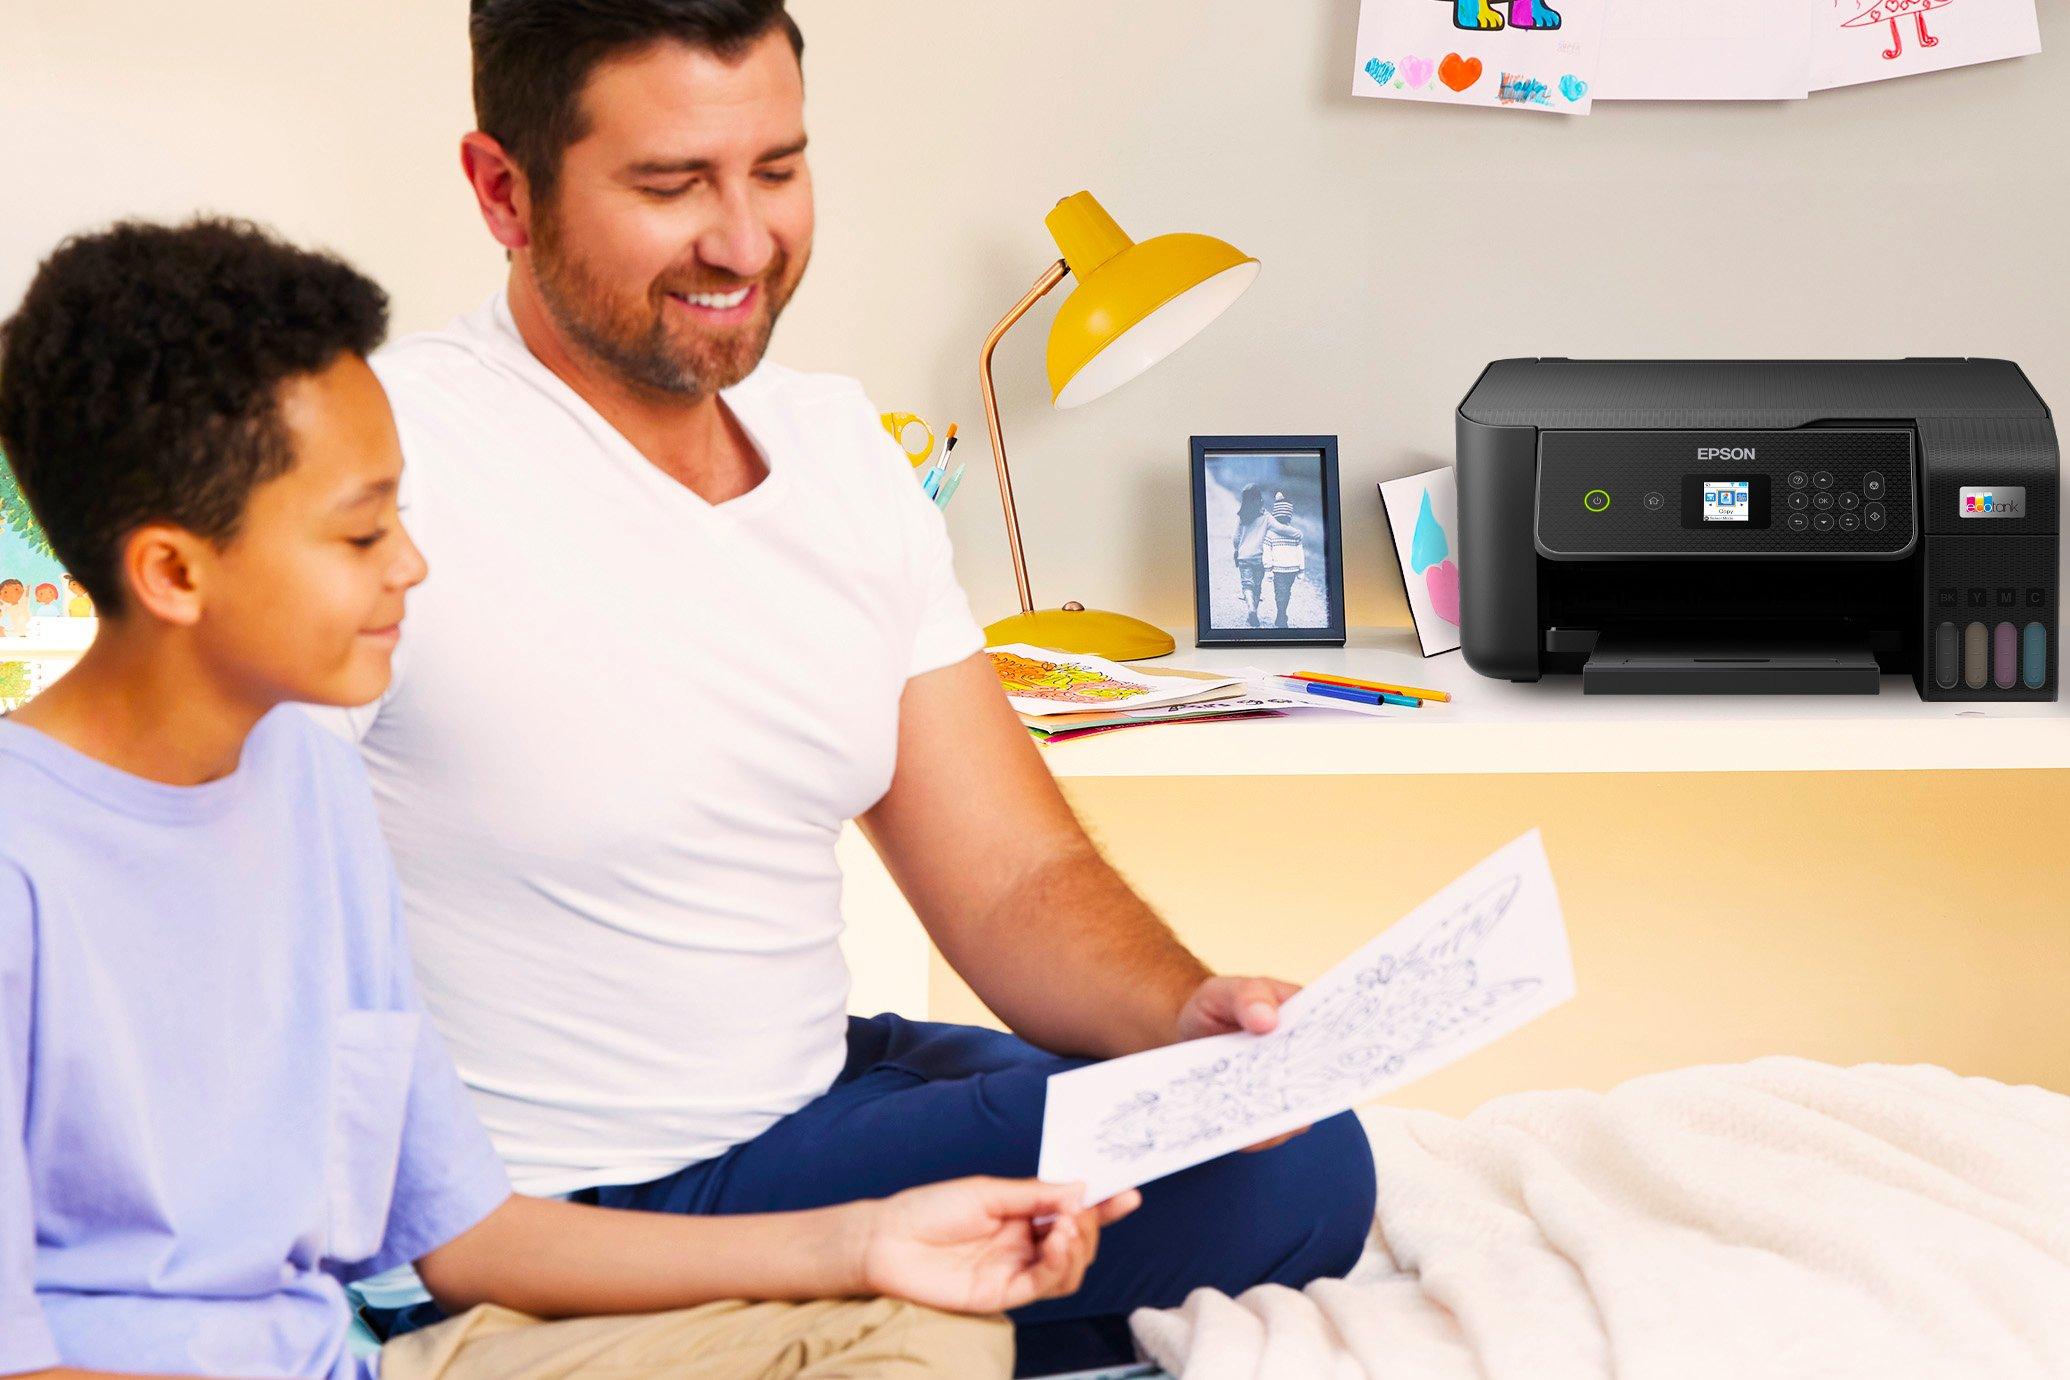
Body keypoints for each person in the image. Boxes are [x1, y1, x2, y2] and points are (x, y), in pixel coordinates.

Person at [330, 2, 1375, 1371]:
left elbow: (1010, 876)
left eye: (775, 169)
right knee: (1288, 1186)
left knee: (1277, 1128)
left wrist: (1184, 1015)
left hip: (819, 1085)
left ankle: (852, 1322)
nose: (743, 242)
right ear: (502, 192)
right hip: (574, 1199)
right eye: (671, 185)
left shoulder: (838, 450)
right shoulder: (376, 469)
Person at [0, 217, 1134, 1380]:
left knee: (926, 1335)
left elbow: (471, 1238)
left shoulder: (309, 786)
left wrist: (865, 1245)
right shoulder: (23, 865)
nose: (411, 564)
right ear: (173, 571)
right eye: (361, 532)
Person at [1261, 496, 1306, 629]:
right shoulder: (1296, 534)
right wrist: (1301, 570)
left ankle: (1281, 615)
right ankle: (1282, 616)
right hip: (1292, 569)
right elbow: (1300, 553)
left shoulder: (1270, 534)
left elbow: (1267, 553)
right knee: (1286, 592)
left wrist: (1268, 569)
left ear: (1275, 516)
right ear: (1289, 517)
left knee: (1280, 593)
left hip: (1278, 569)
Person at [1231, 483, 1269, 627]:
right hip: (1260, 556)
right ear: (1259, 498)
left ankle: (1251, 609)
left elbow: (1235, 537)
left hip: (1244, 556)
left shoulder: (1242, 516)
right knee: (1257, 586)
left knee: (1247, 584)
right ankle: (1255, 613)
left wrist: (1237, 549)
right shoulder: (1265, 515)